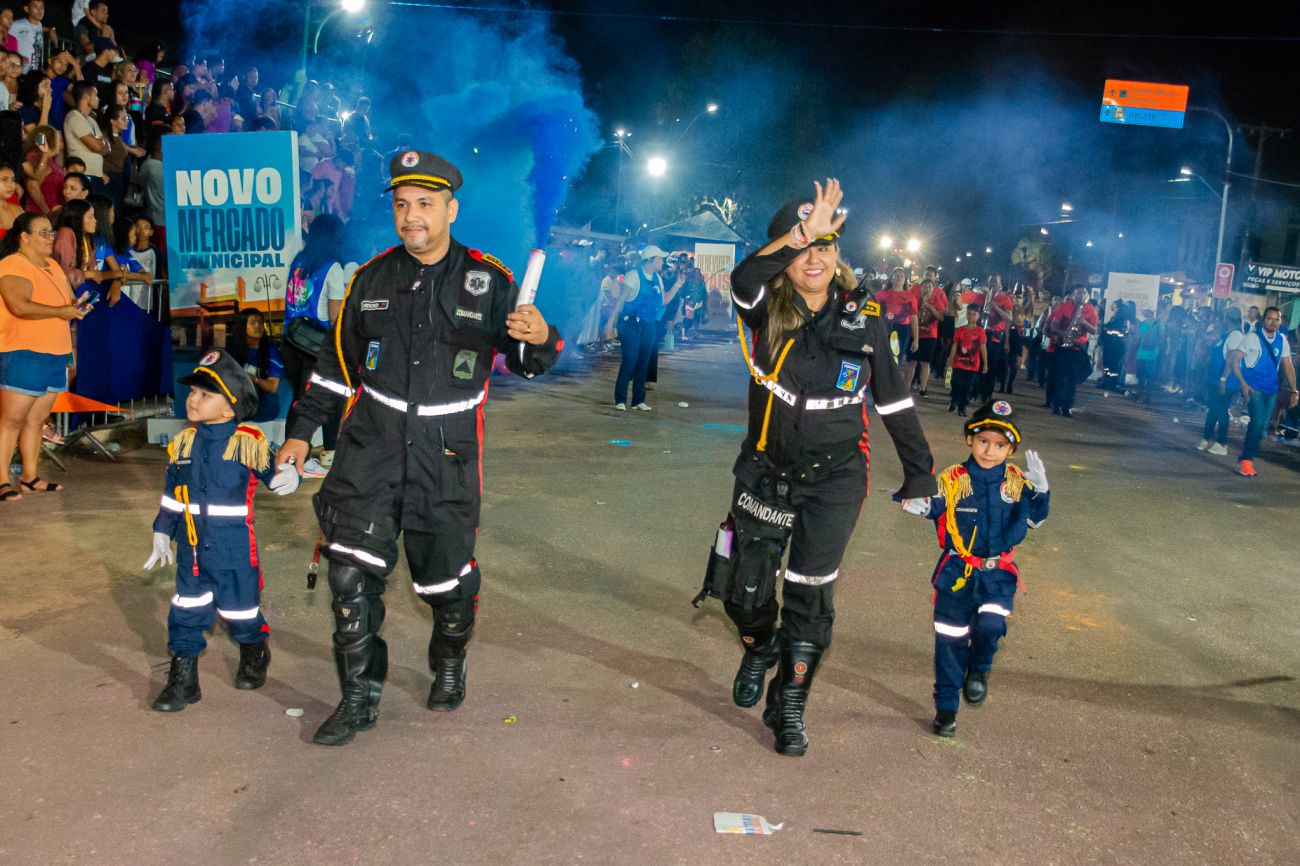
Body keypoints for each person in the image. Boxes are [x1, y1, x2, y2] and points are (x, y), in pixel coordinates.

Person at [276, 151, 563, 747]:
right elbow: (335, 369)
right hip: (371, 447)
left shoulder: (489, 280)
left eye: (426, 205)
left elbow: (528, 359)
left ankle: (450, 656)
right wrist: (301, 433)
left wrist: (541, 337)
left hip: (445, 454)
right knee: (349, 576)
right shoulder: (370, 279)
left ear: (451, 210)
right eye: (403, 204)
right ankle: (358, 697)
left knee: (445, 586)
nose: (412, 216)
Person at [693, 180, 935, 757]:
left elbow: (894, 399)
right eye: (804, 247)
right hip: (765, 470)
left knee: (810, 595)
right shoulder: (763, 307)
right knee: (746, 593)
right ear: (787, 250)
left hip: (836, 478)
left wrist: (919, 471)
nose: (815, 258)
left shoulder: (865, 317)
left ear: (838, 255)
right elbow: (744, 279)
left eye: (825, 246)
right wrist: (802, 231)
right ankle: (758, 648)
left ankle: (790, 703)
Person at [141, 350, 300, 711]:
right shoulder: (184, 443)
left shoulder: (247, 442)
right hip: (192, 551)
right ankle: (184, 681)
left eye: (205, 394)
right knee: (186, 612)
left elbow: (275, 473)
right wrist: (162, 530)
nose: (193, 399)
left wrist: (290, 474)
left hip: (235, 553)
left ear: (230, 409)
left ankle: (254, 649)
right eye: (193, 391)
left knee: (241, 613)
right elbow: (172, 495)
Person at [897, 400, 1050, 738]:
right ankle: (946, 709)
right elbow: (935, 505)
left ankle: (979, 667)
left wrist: (1040, 493)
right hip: (956, 574)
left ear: (1011, 450)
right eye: (983, 441)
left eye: (1000, 445)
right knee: (950, 640)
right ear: (969, 439)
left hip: (998, 575)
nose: (989, 451)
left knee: (991, 625)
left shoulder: (1016, 483)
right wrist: (918, 502)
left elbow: (1035, 520)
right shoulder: (953, 478)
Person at [0, 212, 86, 502]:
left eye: (51, 231)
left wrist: (77, 306)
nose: (51, 237)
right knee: (11, 421)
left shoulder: (53, 265)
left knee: (37, 420)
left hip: (55, 352)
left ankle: (30, 477)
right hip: (23, 351)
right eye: (43, 232)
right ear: (24, 237)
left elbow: (66, 302)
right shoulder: (12, 264)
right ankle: (2, 481)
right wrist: (61, 312)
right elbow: (20, 306)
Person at [280, 213, 348, 477]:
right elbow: (335, 317)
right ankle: (317, 455)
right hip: (317, 345)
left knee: (299, 397)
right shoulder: (333, 268)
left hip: (291, 340)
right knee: (331, 395)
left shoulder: (299, 261)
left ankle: (296, 455)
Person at [605, 244, 680, 411]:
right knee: (630, 359)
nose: (662, 262)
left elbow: (664, 301)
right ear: (650, 260)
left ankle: (638, 401)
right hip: (630, 323)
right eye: (660, 259)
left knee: (644, 361)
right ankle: (620, 400)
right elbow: (621, 301)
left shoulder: (658, 278)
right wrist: (610, 322)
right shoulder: (634, 276)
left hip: (648, 324)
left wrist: (677, 285)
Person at [1226, 306, 1297, 477]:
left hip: (1271, 390)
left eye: (1276, 319)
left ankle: (1244, 458)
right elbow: (1235, 361)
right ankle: (1246, 462)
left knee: (1262, 428)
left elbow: (1288, 366)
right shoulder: (1252, 337)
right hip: (1253, 388)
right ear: (1263, 320)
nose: (1273, 322)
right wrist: (1243, 383)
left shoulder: (1282, 340)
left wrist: (1294, 390)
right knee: (1257, 423)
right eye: (1270, 318)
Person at [1198, 306, 1243, 456]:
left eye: (1224, 317)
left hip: (1226, 381)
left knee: (1221, 410)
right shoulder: (1226, 334)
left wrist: (1223, 379)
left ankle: (1222, 443)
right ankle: (1206, 438)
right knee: (1213, 409)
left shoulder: (1235, 335)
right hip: (1216, 379)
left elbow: (1231, 360)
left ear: (1230, 319)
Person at [1046, 286, 1097, 417]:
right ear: (1073, 295)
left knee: (1072, 380)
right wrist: (1063, 333)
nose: (1081, 296)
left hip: (1078, 348)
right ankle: (1056, 404)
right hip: (1062, 346)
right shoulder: (1064, 307)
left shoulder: (1090, 310)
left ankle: (1067, 406)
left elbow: (1094, 330)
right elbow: (1053, 325)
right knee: (1060, 378)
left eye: (1084, 293)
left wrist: (1084, 322)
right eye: (1079, 293)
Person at [224, 309, 282, 422]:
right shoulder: (232, 351)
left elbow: (272, 387)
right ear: (242, 326)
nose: (257, 326)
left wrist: (253, 379)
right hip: (239, 405)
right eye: (252, 322)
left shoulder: (272, 351)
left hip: (264, 407)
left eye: (260, 322)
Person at [971, 274, 1014, 403]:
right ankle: (973, 392)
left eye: (995, 282)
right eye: (991, 282)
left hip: (994, 337)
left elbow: (1009, 318)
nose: (993, 284)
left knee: (990, 367)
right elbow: (972, 313)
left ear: (1000, 285)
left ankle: (986, 395)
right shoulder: (981, 296)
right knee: (976, 365)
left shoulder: (1005, 299)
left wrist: (995, 307)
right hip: (979, 334)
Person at [62, 81, 106, 190]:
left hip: (96, 174)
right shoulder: (74, 117)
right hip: (84, 174)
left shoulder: (91, 120)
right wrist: (100, 144)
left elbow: (107, 149)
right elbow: (98, 147)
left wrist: (101, 145)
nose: (98, 98)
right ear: (86, 96)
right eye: (96, 95)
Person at [907, 275, 947, 396]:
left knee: (925, 363)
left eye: (929, 287)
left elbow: (941, 318)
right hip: (915, 333)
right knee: (912, 361)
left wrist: (931, 308)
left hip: (930, 335)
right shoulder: (915, 299)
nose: (927, 289)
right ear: (921, 288)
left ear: (933, 289)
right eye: (924, 286)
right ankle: (906, 387)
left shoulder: (937, 301)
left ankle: (923, 388)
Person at [946, 304, 986, 416]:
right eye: (969, 314)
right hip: (959, 362)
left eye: (974, 314)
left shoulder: (980, 332)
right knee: (956, 382)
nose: (971, 316)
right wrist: (951, 358)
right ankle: (954, 400)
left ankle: (962, 406)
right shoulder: (960, 330)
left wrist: (985, 363)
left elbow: (983, 348)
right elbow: (955, 345)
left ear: (978, 316)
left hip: (973, 365)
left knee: (967, 386)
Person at [876, 266, 916, 364]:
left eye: (902, 276)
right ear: (891, 278)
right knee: (880, 357)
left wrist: (916, 339)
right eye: (896, 275)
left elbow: (914, 318)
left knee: (896, 359)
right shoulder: (882, 293)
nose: (899, 278)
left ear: (905, 280)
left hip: (902, 330)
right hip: (884, 327)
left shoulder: (910, 297)